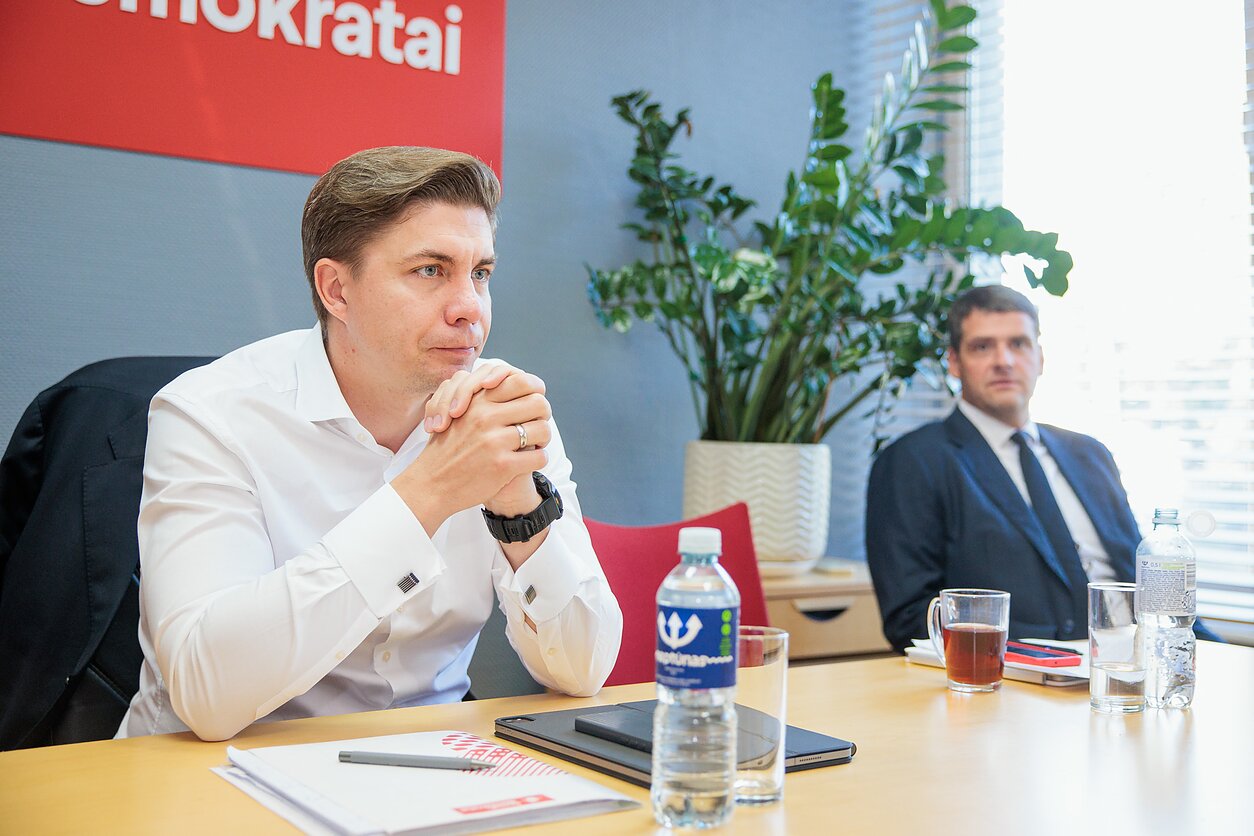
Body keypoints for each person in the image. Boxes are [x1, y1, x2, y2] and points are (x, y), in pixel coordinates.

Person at [118, 147, 622, 741]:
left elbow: (584, 670)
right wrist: (428, 492)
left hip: (427, 763)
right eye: (430, 270)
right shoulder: (210, 414)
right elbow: (206, 694)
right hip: (211, 769)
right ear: (337, 290)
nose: (470, 309)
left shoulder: (502, 413)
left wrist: (519, 507)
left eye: (480, 273)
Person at [865, 285, 1218, 651]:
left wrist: (1218, 652)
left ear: (1040, 358)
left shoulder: (1090, 454)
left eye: (1018, 344)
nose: (1004, 360)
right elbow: (910, 619)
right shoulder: (913, 461)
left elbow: (1145, 582)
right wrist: (1046, 659)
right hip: (1027, 670)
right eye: (982, 347)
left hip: (1140, 659)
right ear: (954, 362)